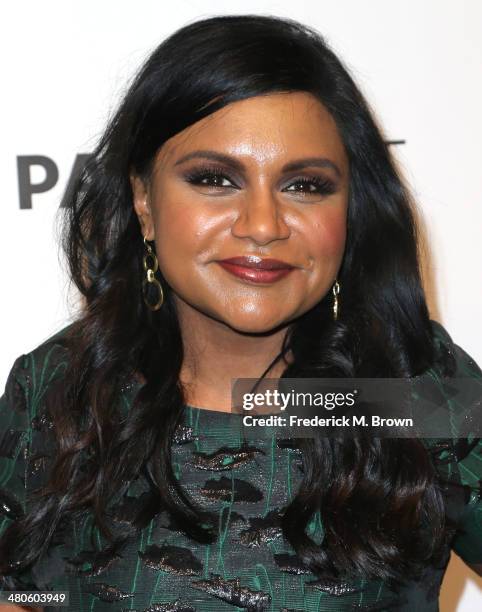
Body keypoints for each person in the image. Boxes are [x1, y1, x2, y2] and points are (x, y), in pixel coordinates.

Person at [0, 13, 481, 612]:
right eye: (214, 178)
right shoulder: (59, 389)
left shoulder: (411, 386)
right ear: (144, 200)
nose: (262, 225)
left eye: (304, 185)